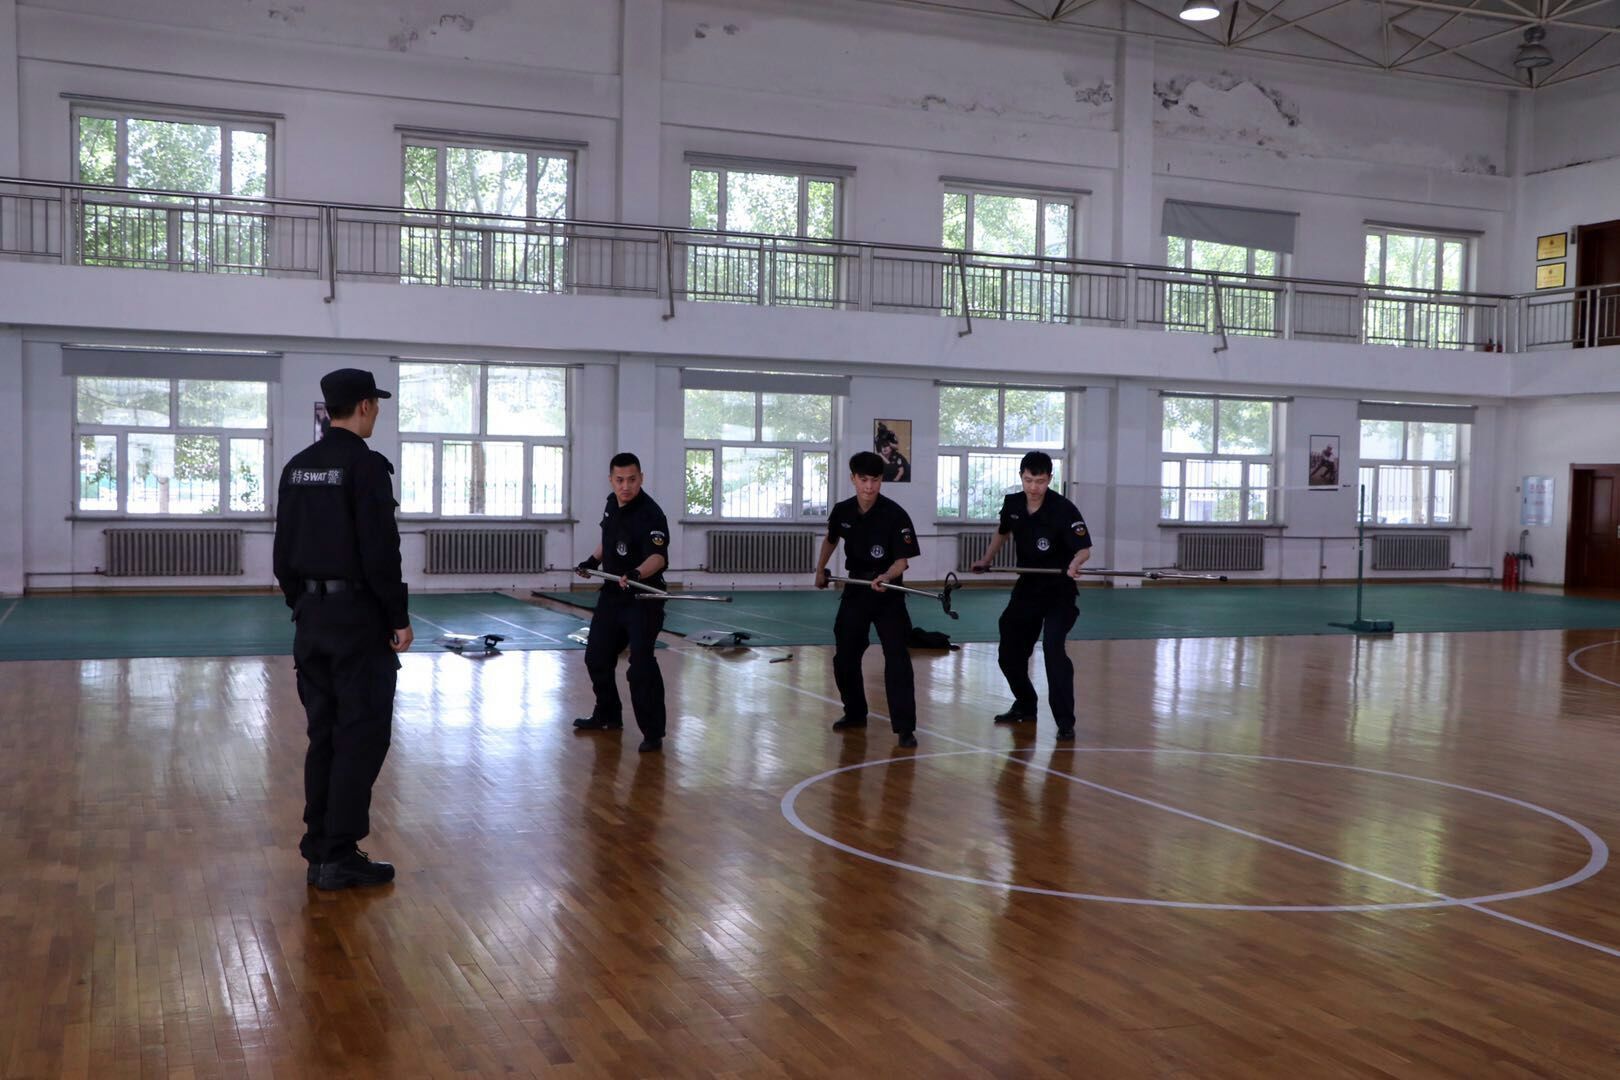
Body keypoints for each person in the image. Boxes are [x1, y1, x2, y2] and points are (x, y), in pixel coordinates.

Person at [273, 368, 412, 890]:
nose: (377, 411)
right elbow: (381, 551)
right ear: (365, 405)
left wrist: (304, 603)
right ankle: (339, 855)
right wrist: (396, 617)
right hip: (356, 623)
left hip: (311, 622)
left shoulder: (297, 468)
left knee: (325, 736)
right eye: (376, 403)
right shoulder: (366, 466)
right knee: (361, 736)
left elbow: (282, 552)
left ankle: (319, 850)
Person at [971, 451, 1092, 740]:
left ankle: (1065, 722)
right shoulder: (1013, 503)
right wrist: (986, 559)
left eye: (1040, 481)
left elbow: (1084, 549)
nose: (1033, 487)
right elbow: (1002, 532)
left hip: (1059, 590)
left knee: (1053, 648)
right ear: (1021, 477)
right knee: (1008, 652)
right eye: (1028, 480)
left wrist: (1075, 564)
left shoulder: (1064, 509)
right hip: (1028, 587)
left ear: (1050, 479)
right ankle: (1025, 704)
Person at [814, 451, 922, 748]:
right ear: (853, 479)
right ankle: (854, 712)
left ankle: (905, 728)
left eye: (875, 480)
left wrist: (886, 576)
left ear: (881, 481)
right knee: (845, 655)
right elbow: (831, 539)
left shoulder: (895, 514)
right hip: (856, 589)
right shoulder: (843, 511)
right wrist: (820, 569)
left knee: (897, 657)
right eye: (863, 480)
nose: (869, 487)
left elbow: (902, 562)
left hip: (889, 592)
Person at [573, 452, 671, 752]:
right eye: (619, 480)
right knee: (596, 657)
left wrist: (637, 572)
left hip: (643, 597)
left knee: (640, 664)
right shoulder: (611, 504)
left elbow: (658, 557)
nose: (625, 486)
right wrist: (592, 561)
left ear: (641, 478)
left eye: (631, 479)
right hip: (612, 596)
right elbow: (609, 539)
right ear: (611, 480)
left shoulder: (652, 514)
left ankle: (653, 733)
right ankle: (608, 715)